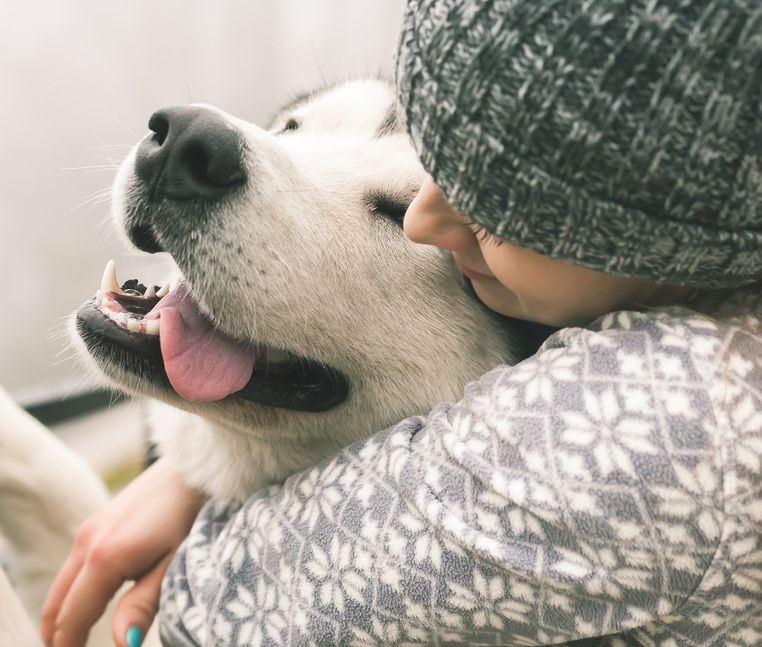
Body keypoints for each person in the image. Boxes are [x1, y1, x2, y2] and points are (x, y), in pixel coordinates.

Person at [42, 0, 762, 645]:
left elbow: (215, 606)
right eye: (292, 127)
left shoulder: (677, 424)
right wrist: (193, 475)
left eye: (495, 210)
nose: (427, 216)